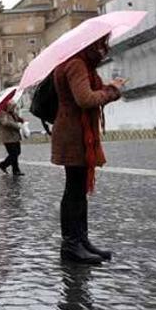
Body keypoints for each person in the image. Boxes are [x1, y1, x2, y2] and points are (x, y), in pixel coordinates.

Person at [51, 35, 126, 264]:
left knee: (78, 189)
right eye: (102, 45)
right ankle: (71, 245)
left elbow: (86, 94)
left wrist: (108, 89)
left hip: (76, 132)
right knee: (74, 190)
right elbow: (85, 99)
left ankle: (81, 240)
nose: (104, 49)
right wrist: (112, 91)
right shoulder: (76, 64)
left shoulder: (77, 63)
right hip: (74, 134)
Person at [0, 102, 25, 176]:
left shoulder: (12, 113)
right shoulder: (2, 114)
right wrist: (16, 125)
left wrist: (21, 120)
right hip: (8, 138)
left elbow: (16, 118)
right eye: (12, 107)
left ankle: (4, 165)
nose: (13, 108)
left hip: (15, 137)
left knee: (17, 152)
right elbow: (5, 123)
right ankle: (15, 170)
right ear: (8, 106)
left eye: (14, 107)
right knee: (13, 154)